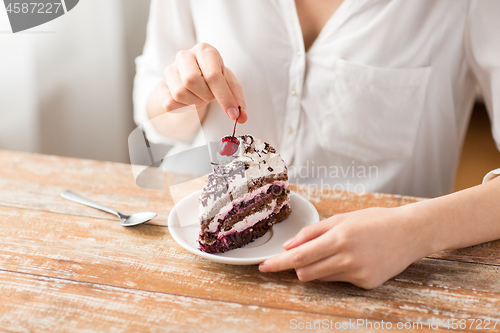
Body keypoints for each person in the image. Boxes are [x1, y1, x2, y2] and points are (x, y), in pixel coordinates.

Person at [134, 0, 500, 289]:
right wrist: (178, 95)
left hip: (387, 284)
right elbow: (153, 121)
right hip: (208, 279)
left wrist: (415, 232)